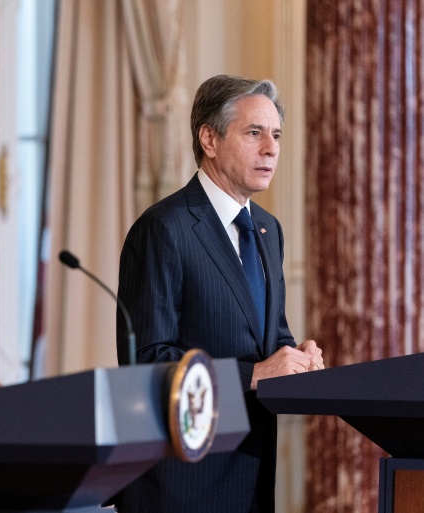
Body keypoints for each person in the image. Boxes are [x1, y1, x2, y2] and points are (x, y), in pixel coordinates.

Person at [114, 75, 324, 513]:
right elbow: (147, 363)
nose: (271, 148)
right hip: (181, 483)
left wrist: (297, 357)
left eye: (276, 135)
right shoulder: (164, 228)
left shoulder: (268, 230)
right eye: (254, 133)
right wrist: (254, 374)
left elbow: (270, 336)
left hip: (252, 474)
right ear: (209, 139)